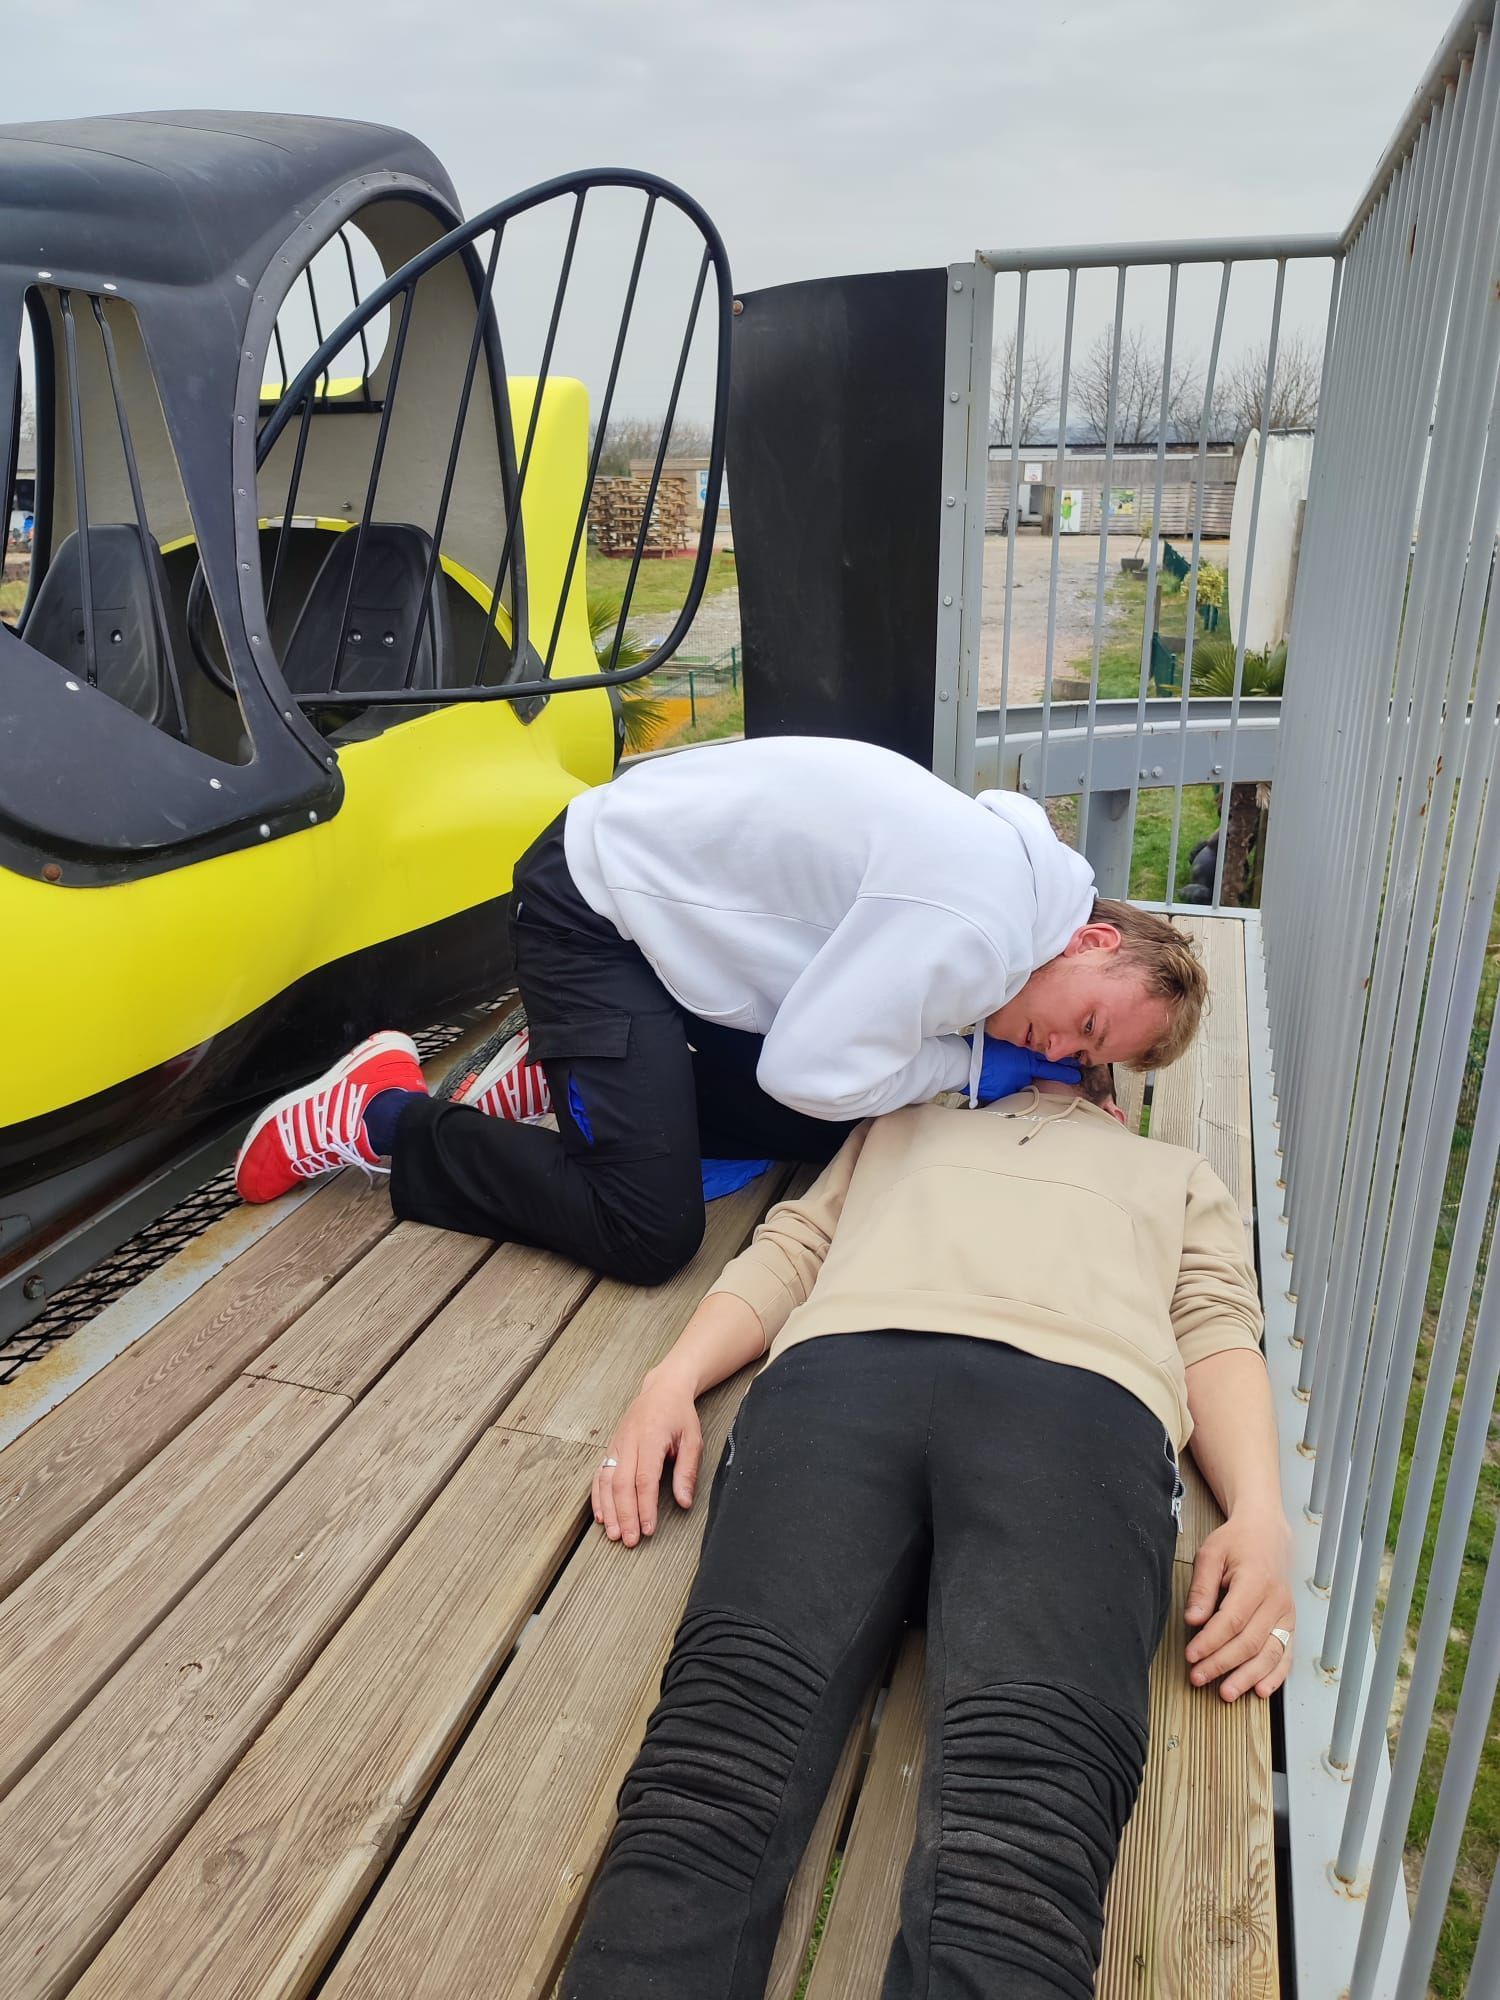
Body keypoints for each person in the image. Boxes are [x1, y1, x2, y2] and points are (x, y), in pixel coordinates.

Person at [564, 1065, 1294, 2000]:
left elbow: (794, 1251)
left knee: (724, 1764)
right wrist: (668, 1381)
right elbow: (1214, 1332)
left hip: (861, 1384)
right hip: (1071, 1415)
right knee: (1019, 1830)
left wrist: (1262, 1514)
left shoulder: (1114, 1158)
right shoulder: (1137, 1163)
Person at [234, 736, 1206, 1286]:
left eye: (1086, 1056)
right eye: (1085, 1025)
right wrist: (971, 1070)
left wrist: (1026, 1063)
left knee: (855, 1112)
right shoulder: (981, 929)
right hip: (593, 908)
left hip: (662, 925)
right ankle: (378, 1114)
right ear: (1090, 940)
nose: (1060, 1047)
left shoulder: (1020, 883)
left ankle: (567, 1065)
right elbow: (805, 1072)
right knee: (646, 1231)